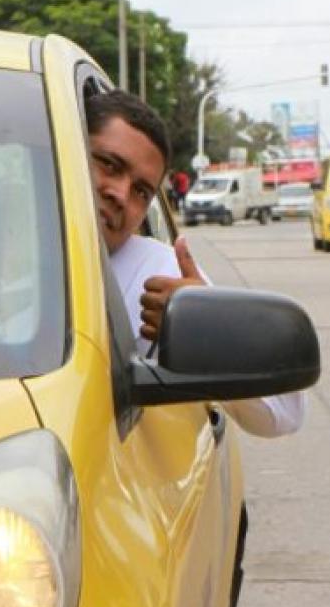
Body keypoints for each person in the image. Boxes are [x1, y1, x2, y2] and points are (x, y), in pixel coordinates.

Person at [85, 88, 305, 438]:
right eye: (109, 165)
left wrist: (206, 328)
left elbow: (282, 414)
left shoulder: (152, 271)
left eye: (142, 191)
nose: (121, 194)